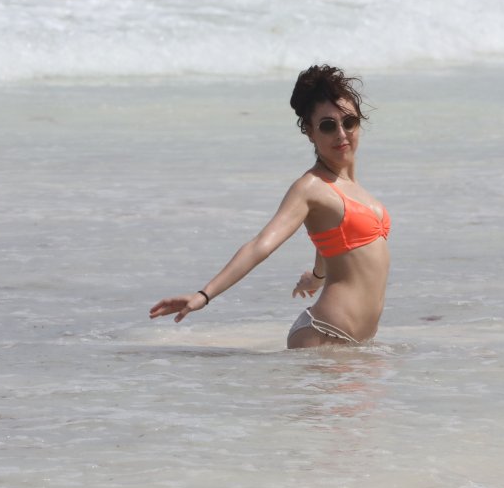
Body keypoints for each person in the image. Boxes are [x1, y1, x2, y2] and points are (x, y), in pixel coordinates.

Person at [150, 65, 389, 347]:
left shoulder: (354, 189)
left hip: (358, 344)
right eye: (328, 125)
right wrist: (204, 294)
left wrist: (317, 276)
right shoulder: (310, 187)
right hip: (325, 335)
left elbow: (333, 238)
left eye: (349, 122)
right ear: (310, 132)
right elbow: (260, 245)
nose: (341, 133)